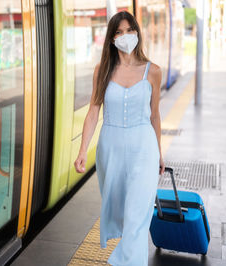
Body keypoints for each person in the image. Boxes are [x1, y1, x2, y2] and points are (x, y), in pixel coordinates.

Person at [74, 11, 165, 266]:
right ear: (111, 38)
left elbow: (155, 117)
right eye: (119, 32)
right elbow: (93, 112)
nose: (125, 36)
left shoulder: (153, 71)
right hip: (110, 152)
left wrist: (159, 153)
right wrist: (82, 152)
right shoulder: (102, 70)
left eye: (129, 30)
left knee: (137, 218)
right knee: (124, 216)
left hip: (144, 151)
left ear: (137, 32)